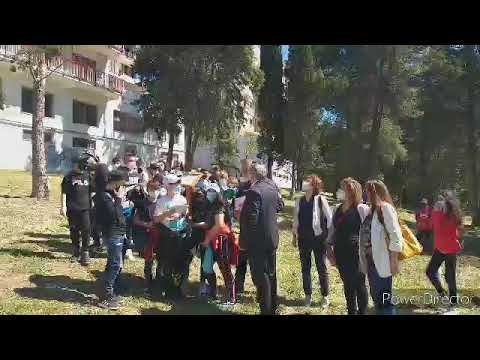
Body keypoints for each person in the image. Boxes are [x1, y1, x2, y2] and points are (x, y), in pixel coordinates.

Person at [240, 163, 282, 315]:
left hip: (258, 241)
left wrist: (245, 240)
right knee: (271, 274)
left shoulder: (254, 191)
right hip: (272, 237)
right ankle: (273, 308)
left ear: (252, 174)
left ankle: (265, 309)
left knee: (261, 276)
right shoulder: (272, 187)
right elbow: (280, 206)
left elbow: (252, 218)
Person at [327, 177, 369, 315]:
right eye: (342, 187)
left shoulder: (362, 209)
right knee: (347, 284)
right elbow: (332, 230)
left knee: (359, 283)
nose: (342, 190)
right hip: (340, 252)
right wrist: (329, 249)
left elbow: (369, 231)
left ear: (352, 191)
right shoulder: (337, 209)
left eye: (345, 188)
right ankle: (351, 311)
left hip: (356, 253)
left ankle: (362, 311)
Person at [359, 180, 402, 315]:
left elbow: (396, 236)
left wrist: (394, 260)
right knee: (377, 297)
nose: (366, 194)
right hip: (371, 261)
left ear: (376, 192)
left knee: (385, 300)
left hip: (383, 260)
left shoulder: (385, 208)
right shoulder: (370, 211)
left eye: (369, 191)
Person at [292, 175, 332, 308]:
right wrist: (294, 236)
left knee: (322, 267)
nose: (305, 183)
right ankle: (308, 295)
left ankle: (325, 296)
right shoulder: (299, 200)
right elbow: (296, 220)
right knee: (305, 268)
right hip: (303, 239)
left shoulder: (320, 199)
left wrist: (329, 238)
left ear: (314, 185)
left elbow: (330, 219)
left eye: (308, 182)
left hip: (318, 239)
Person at [153, 173, 190, 299]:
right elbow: (156, 219)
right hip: (167, 235)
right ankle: (165, 289)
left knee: (179, 263)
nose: (176, 186)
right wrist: (168, 213)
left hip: (180, 234)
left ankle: (178, 289)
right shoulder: (162, 200)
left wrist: (182, 214)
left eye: (177, 183)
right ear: (167, 185)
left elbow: (185, 214)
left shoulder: (182, 199)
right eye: (173, 184)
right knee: (166, 263)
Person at [201, 183, 238, 304]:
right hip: (212, 239)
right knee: (207, 267)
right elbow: (211, 223)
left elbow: (219, 225)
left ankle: (231, 297)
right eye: (209, 190)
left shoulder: (219, 206)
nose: (210, 193)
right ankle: (213, 292)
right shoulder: (211, 205)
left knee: (225, 268)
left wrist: (207, 240)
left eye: (213, 191)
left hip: (221, 240)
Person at [96, 170, 128, 310]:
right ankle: (106, 296)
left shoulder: (110, 195)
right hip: (113, 234)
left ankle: (108, 291)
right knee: (115, 265)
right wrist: (119, 199)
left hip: (117, 233)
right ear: (115, 182)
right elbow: (112, 215)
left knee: (112, 264)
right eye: (121, 184)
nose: (122, 187)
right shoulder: (103, 196)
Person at [426, 191, 463, 308]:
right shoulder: (454, 216)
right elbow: (458, 230)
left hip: (445, 249)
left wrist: (437, 209)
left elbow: (433, 223)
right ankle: (450, 298)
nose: (437, 205)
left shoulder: (438, 215)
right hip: (448, 248)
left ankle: (445, 296)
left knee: (433, 272)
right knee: (448, 276)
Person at [60, 154, 93, 266]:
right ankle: (76, 251)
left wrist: (93, 202)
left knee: (86, 230)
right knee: (74, 230)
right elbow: (64, 192)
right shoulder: (68, 177)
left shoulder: (88, 176)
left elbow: (92, 190)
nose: (75, 166)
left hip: (86, 209)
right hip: (72, 209)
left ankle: (85, 252)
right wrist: (63, 206)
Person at [234, 159, 253, 295]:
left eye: (245, 166)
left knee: (255, 261)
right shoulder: (241, 187)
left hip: (255, 229)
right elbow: (237, 209)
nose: (243, 168)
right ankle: (239, 288)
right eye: (242, 166)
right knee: (241, 260)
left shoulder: (256, 185)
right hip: (244, 228)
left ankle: (260, 287)